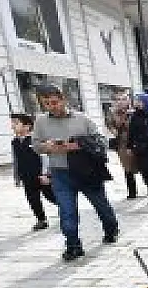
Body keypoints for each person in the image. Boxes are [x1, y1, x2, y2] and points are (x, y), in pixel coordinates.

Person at [32, 84, 119, 261]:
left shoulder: (82, 119)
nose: (51, 107)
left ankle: (111, 230)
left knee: (101, 205)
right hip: (60, 173)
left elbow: (102, 141)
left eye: (54, 102)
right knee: (67, 211)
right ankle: (73, 245)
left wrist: (77, 145)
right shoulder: (41, 121)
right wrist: (46, 147)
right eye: (46, 104)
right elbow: (35, 145)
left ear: (63, 99)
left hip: (86, 171)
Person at [10, 113, 56, 231]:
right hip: (26, 176)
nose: (13, 126)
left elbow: (44, 157)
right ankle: (41, 220)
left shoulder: (34, 140)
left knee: (50, 195)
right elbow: (16, 160)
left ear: (27, 126)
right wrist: (16, 176)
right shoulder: (14, 142)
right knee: (32, 199)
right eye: (12, 123)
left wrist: (46, 174)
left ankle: (67, 210)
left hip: (41, 176)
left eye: (16, 123)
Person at [106, 92, 139, 199]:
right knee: (127, 167)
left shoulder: (135, 111)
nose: (121, 101)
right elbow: (111, 126)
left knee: (143, 165)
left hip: (137, 142)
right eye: (118, 99)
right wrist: (115, 129)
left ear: (128, 100)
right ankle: (132, 191)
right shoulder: (113, 113)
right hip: (123, 143)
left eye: (124, 99)